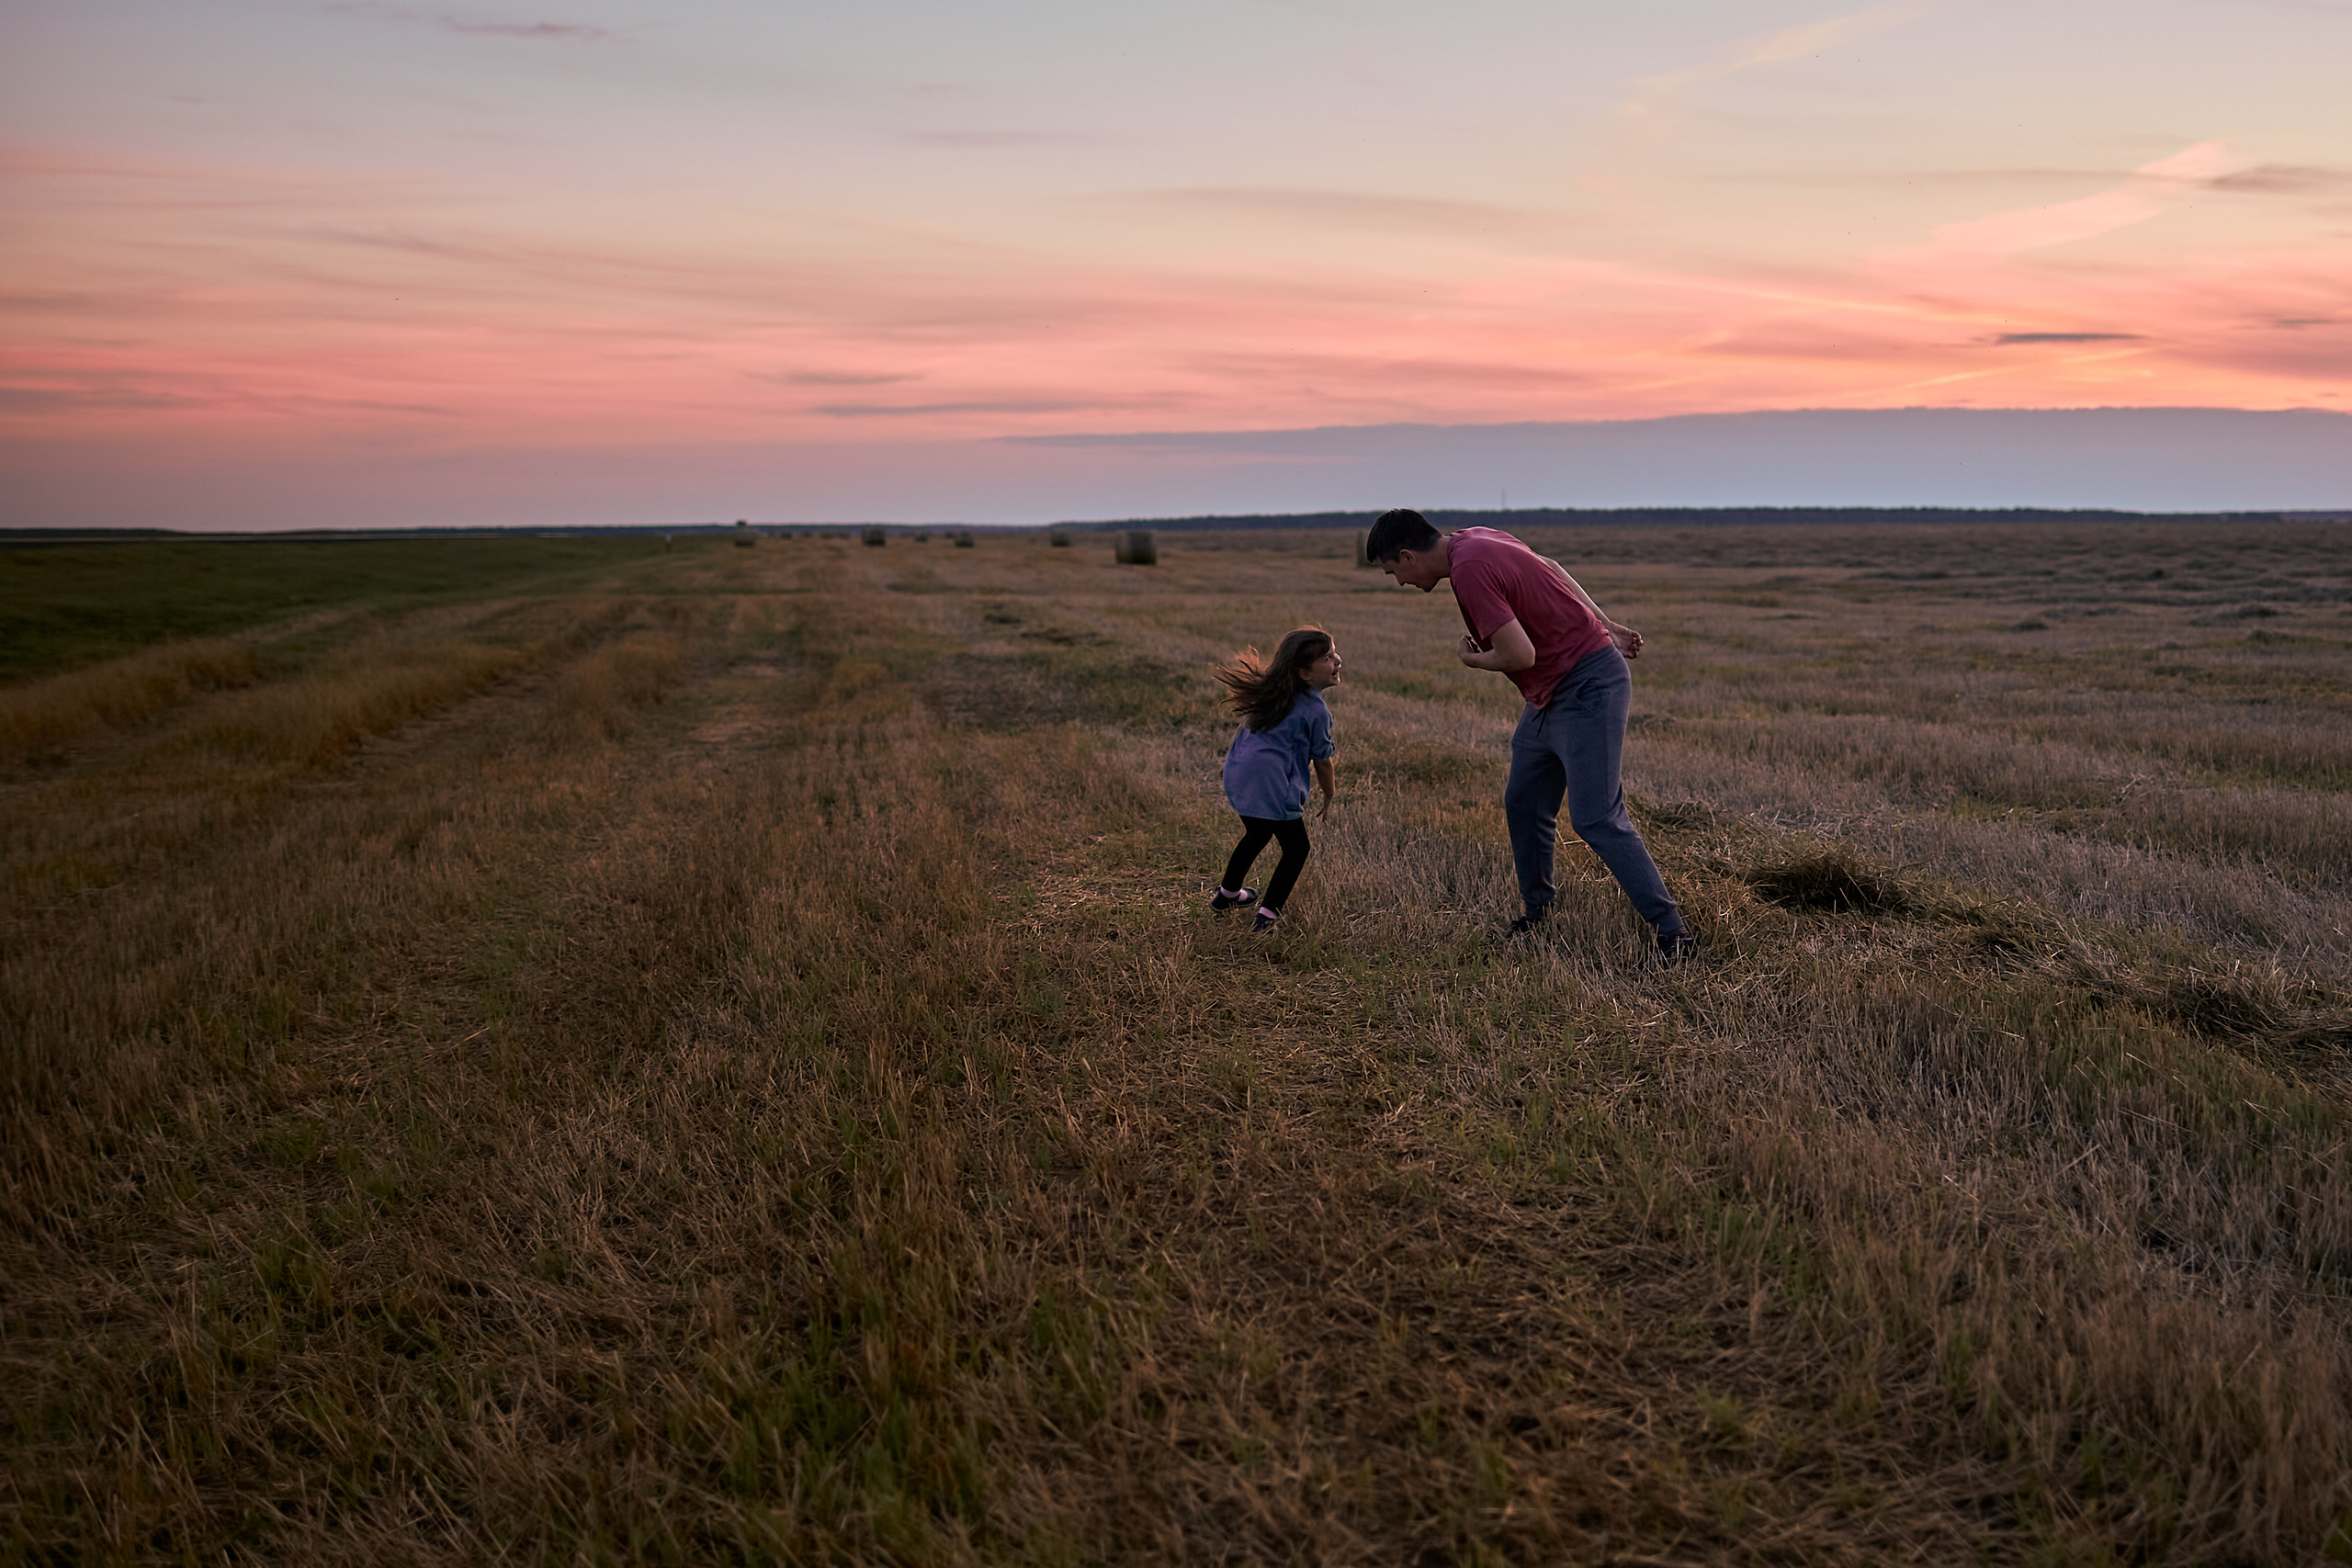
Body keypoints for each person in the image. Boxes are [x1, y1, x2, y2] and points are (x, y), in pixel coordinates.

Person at [1363, 507, 1694, 961]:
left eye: (1392, 572)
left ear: (1407, 555)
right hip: (1548, 695)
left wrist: (1471, 660)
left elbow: (1520, 655)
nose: (1398, 582)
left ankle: (1674, 935)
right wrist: (1607, 626)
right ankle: (1539, 912)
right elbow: (1553, 570)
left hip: (1586, 687)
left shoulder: (1469, 568)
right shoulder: (1475, 538)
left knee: (1597, 817)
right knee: (1524, 803)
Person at [1209, 627, 1342, 935]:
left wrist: (1229, 767)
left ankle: (1228, 895)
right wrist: (1329, 795)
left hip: (1239, 775)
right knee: (1297, 849)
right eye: (1328, 657)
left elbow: (1243, 731)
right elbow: (1323, 761)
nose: (1337, 660)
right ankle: (1267, 918)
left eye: (1334, 653)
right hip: (1272, 786)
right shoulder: (1315, 710)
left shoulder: (1271, 694)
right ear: (1305, 674)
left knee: (1257, 833)